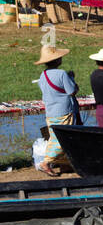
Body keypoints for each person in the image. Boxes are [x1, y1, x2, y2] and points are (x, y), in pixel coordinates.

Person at [34, 44, 79, 175]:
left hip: (50, 111)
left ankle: (64, 164)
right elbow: (72, 91)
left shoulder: (43, 75)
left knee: (57, 136)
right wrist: (72, 79)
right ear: (58, 60)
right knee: (61, 138)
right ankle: (46, 162)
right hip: (63, 111)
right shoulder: (62, 74)